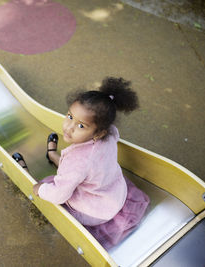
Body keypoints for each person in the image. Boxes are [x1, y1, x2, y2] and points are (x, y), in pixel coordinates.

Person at [12, 77, 149, 250]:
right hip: (113, 194)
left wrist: (39, 190)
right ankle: (53, 156)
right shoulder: (110, 134)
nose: (69, 127)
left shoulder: (78, 162)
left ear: (99, 133)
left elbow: (59, 195)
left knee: (49, 186)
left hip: (91, 211)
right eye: (69, 116)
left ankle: (33, 174)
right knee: (75, 174)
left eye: (81, 126)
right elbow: (109, 132)